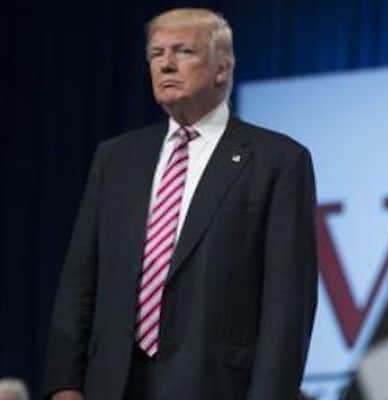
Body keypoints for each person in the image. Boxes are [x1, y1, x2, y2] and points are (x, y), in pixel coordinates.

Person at [44, 8, 318, 400]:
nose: (166, 65)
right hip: (112, 383)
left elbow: (287, 303)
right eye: (156, 54)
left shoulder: (277, 160)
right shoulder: (117, 158)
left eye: (183, 52)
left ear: (221, 69)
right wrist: (64, 384)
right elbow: (80, 278)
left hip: (216, 385)